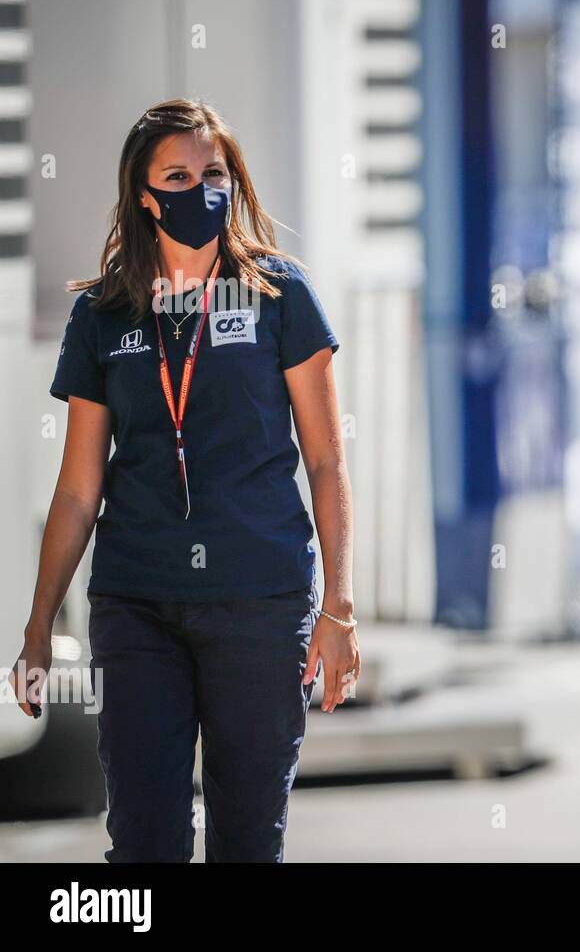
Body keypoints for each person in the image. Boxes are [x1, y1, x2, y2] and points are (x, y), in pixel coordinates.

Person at [8, 100, 359, 862]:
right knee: (143, 843)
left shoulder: (280, 295)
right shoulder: (103, 314)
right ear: (143, 193)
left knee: (245, 841)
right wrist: (38, 627)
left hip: (259, 602)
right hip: (138, 605)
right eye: (178, 176)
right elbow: (77, 490)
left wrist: (338, 608)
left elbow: (328, 462)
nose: (200, 190)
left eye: (214, 174)